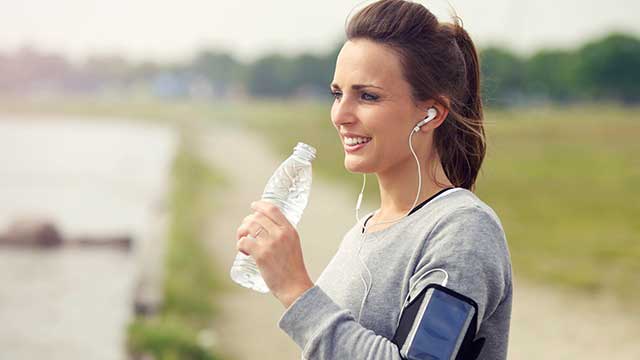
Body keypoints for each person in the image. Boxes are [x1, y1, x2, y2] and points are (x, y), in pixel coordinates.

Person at [235, 0, 512, 359]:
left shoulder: (462, 229)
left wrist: (295, 288)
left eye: (367, 96)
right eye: (337, 94)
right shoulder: (365, 230)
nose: (341, 115)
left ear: (430, 114)